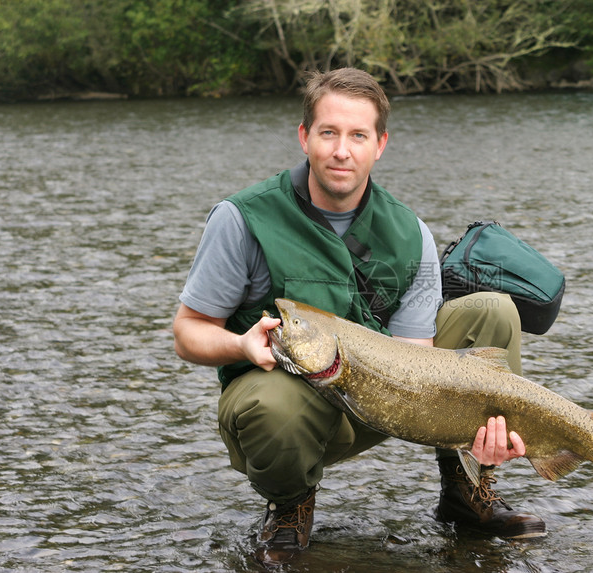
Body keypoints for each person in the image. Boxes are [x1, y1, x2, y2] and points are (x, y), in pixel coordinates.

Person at [172, 67, 545, 566]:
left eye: (357, 135)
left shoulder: (411, 231)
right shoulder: (241, 219)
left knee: (492, 310)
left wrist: (475, 435)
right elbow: (186, 332)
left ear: (380, 144)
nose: (341, 150)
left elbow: (419, 363)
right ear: (305, 137)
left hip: (384, 394)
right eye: (328, 132)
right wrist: (240, 346)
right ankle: (289, 506)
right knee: (271, 406)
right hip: (287, 406)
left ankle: (467, 489)